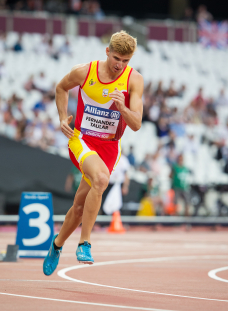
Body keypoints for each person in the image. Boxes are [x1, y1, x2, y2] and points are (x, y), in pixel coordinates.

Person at [43, 31, 143, 275]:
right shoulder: (84, 71)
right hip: (82, 140)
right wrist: (61, 117)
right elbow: (60, 88)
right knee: (101, 179)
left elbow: (137, 123)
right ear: (107, 52)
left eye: (126, 61)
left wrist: (122, 108)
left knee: (79, 207)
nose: (120, 65)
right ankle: (85, 243)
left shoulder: (134, 80)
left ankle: (56, 245)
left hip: (110, 147)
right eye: (117, 58)